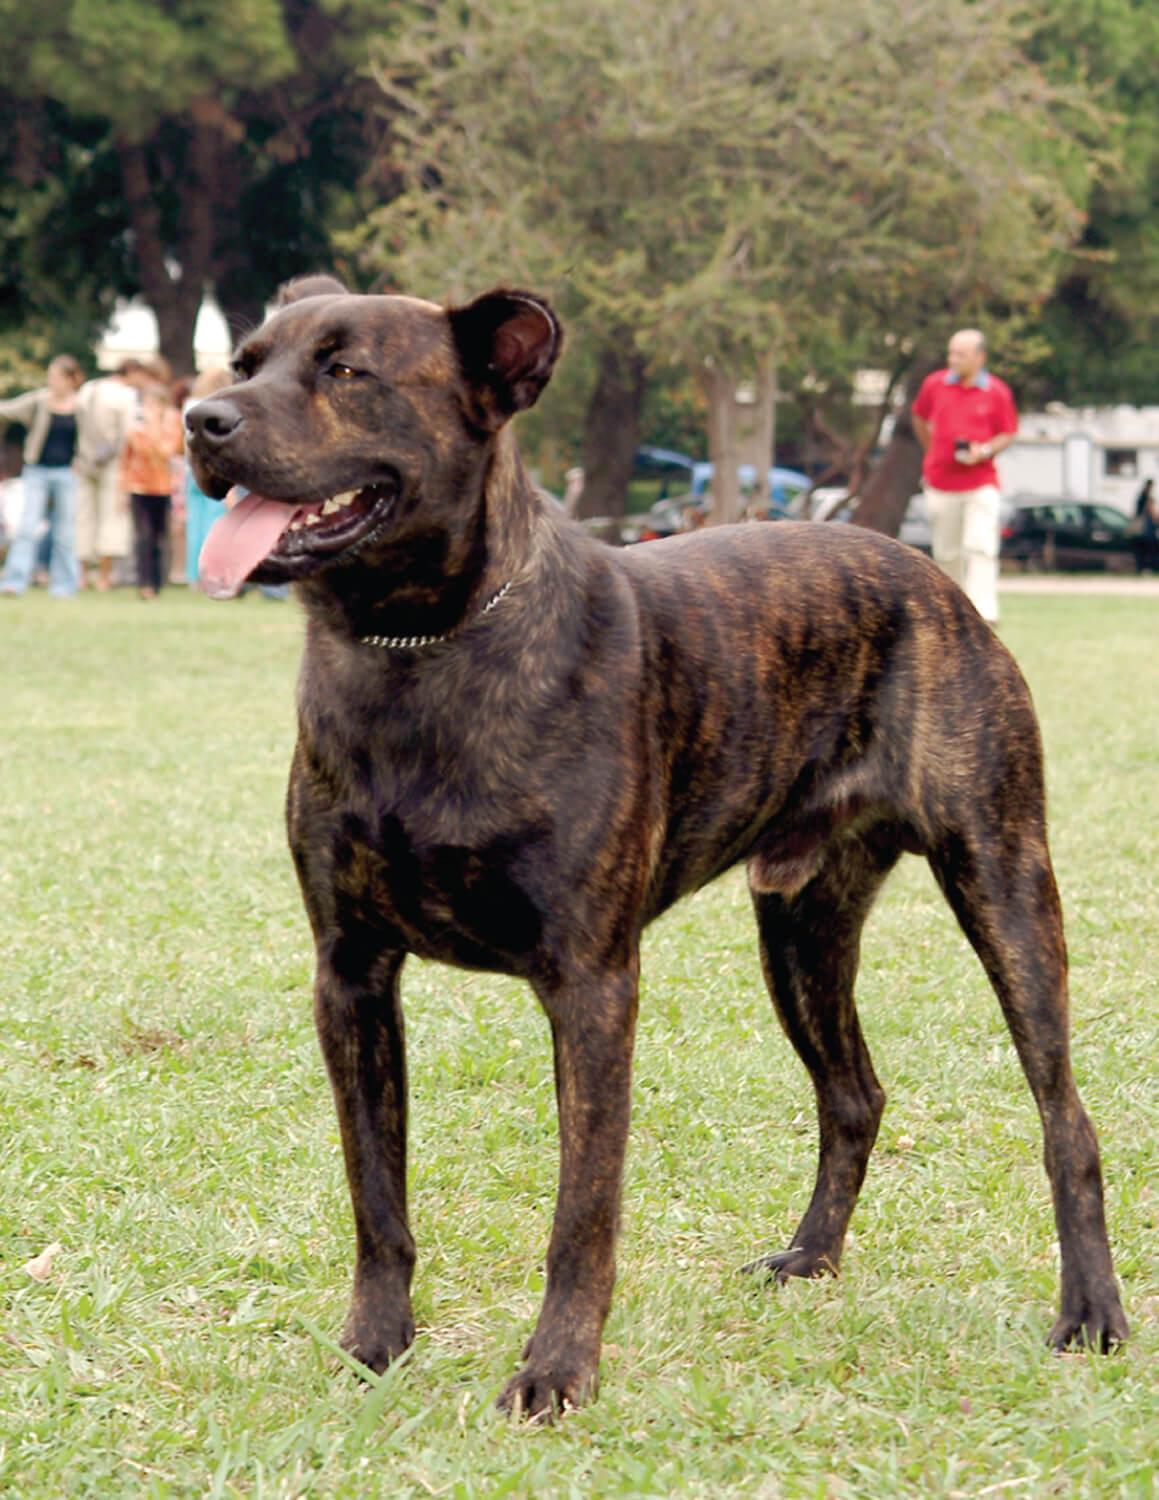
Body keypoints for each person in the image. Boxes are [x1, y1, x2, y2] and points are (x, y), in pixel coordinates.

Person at [911, 330, 1018, 624]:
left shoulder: (996, 391)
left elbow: (1007, 433)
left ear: (979, 357)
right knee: (947, 552)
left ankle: (984, 611)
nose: (953, 359)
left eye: (961, 354)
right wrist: (932, 449)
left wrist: (983, 451)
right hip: (940, 482)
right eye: (951, 353)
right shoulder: (934, 385)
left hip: (980, 481)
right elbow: (919, 418)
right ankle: (951, 609)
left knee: (980, 544)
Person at [0, 354, 85, 597]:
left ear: (70, 380)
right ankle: (14, 583)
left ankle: (64, 587)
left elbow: (88, 440)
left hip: (66, 473)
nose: (52, 381)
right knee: (27, 528)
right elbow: (7, 410)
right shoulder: (39, 401)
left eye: (56, 377)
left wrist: (81, 463)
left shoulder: (80, 407)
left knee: (65, 532)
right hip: (37, 471)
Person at [74, 364, 139, 591]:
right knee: (111, 517)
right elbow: (128, 434)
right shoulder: (125, 395)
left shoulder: (86, 389)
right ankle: (103, 577)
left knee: (83, 517)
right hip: (113, 462)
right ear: (129, 374)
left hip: (84, 459)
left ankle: (81, 576)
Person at [122, 381, 184, 599]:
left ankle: (157, 582)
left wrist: (154, 426)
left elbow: (166, 451)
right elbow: (133, 452)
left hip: (163, 487)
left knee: (160, 535)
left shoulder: (173, 421)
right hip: (139, 486)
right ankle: (144, 583)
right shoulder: (137, 424)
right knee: (143, 536)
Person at [182, 367, 234, 584]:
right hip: (214, 469)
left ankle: (194, 574)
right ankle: (213, 573)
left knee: (195, 525)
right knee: (214, 523)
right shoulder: (220, 407)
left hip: (190, 470)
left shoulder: (189, 405)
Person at [1132, 478, 1158, 575]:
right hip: (1146, 527)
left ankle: (1141, 568)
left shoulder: (1140, 496)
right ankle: (1148, 568)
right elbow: (1151, 511)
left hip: (1141, 527)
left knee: (1141, 549)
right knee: (1150, 548)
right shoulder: (1147, 497)